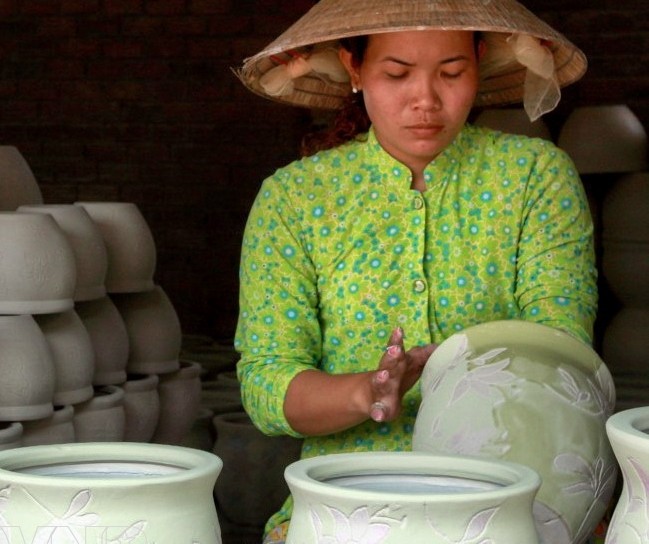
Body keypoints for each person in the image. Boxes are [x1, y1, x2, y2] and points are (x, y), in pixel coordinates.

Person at [234, 1, 596, 542]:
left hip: (513, 494)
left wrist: (470, 373)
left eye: (451, 72)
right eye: (396, 73)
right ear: (355, 69)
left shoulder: (534, 177)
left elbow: (563, 351)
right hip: (348, 501)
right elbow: (267, 383)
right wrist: (366, 393)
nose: (426, 100)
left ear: (478, 62)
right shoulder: (294, 197)